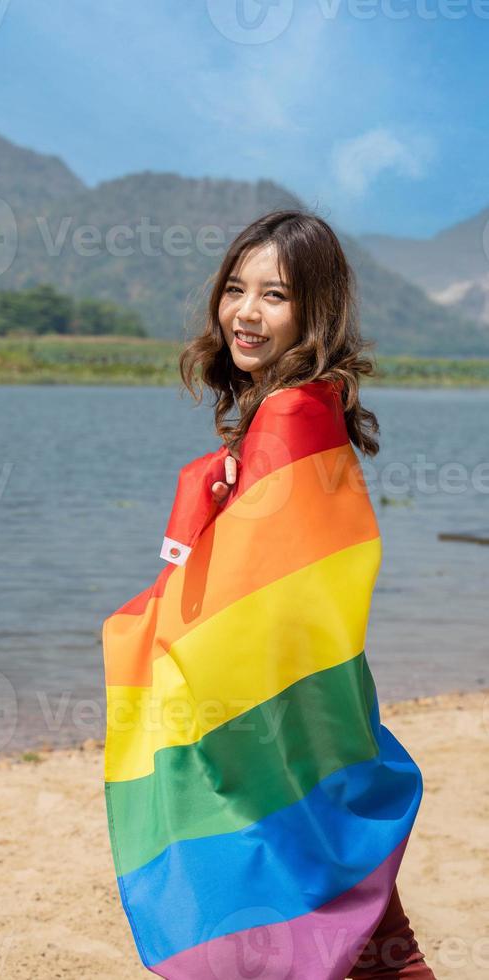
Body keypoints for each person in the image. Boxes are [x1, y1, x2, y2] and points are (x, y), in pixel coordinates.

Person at [182, 208, 436, 979]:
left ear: (314, 310)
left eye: (275, 296)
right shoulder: (308, 403)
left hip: (283, 704)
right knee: (354, 915)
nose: (247, 313)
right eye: (236, 289)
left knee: (317, 908)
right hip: (317, 690)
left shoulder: (289, 414)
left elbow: (252, 585)